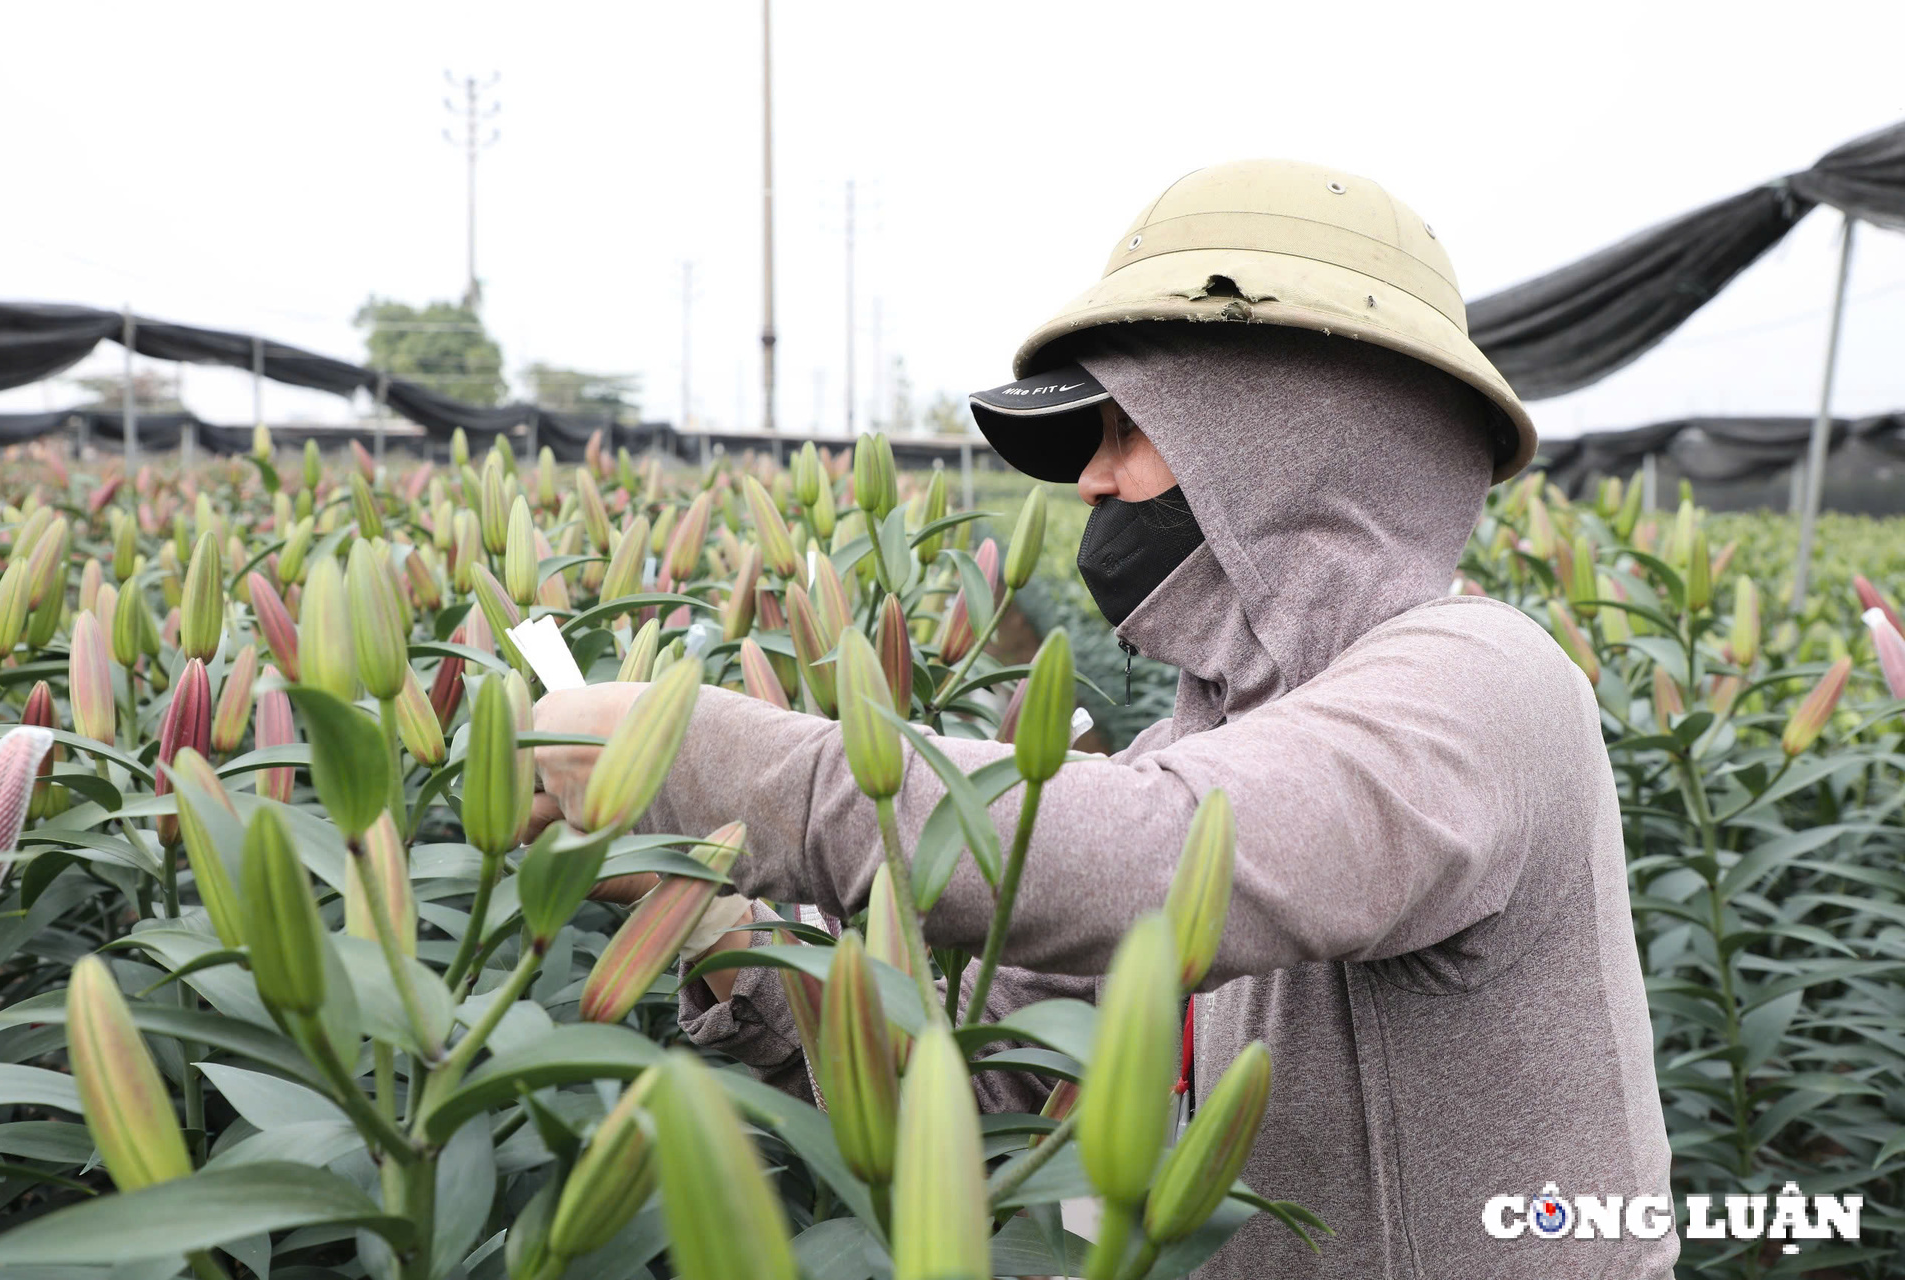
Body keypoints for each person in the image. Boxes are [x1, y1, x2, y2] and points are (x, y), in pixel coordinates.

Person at [531, 160, 1677, 1279]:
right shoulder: (1201, 742)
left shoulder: (1484, 682)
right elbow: (990, 1081)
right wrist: (722, 934)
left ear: (1285, 439)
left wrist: (693, 756)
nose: (1088, 480)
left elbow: (1158, 861)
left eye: (1128, 428)